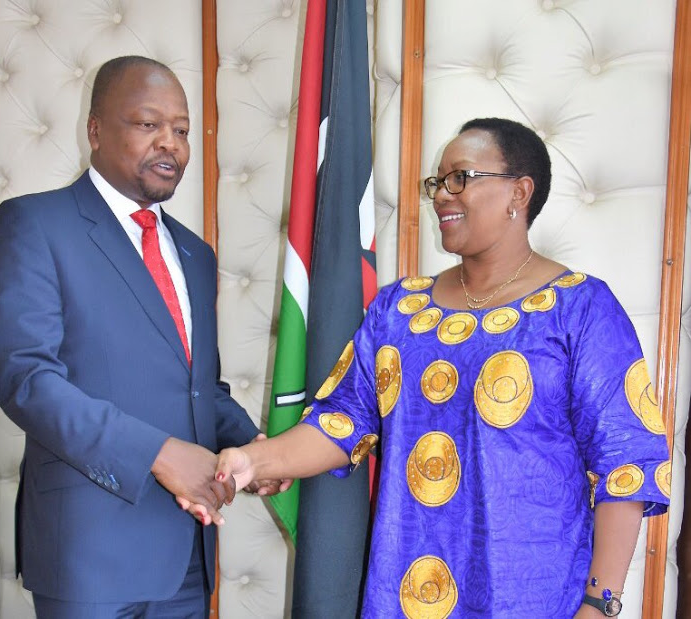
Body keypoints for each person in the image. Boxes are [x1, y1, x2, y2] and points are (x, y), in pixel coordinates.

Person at [210, 118, 671, 617]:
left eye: (461, 178)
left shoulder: (581, 309)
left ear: (519, 191)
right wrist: (254, 462)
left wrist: (598, 604)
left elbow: (626, 464)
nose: (442, 195)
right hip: (407, 591)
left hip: (536, 597)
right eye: (437, 182)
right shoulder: (399, 311)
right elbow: (340, 422)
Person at [0, 55, 273, 618]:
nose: (171, 144)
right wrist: (157, 454)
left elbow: (198, 388)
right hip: (89, 555)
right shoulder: (35, 224)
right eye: (148, 125)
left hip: (189, 552)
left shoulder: (196, 254)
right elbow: (28, 380)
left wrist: (261, 449)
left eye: (182, 130)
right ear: (95, 130)